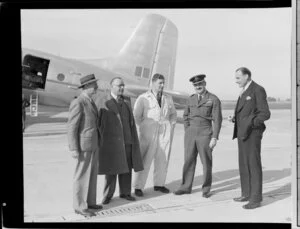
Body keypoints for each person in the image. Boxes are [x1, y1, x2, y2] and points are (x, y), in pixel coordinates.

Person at [94, 77, 144, 205]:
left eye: (123, 85)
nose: (121, 88)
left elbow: (130, 122)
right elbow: (98, 122)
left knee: (126, 169)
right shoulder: (104, 100)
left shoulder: (127, 101)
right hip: (112, 142)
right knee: (111, 170)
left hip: (127, 141)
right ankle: (107, 195)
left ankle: (125, 193)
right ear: (111, 87)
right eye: (118, 86)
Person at [174, 74, 222, 198]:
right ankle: (185, 187)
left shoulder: (213, 99)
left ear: (204, 84)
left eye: (200, 84)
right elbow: (185, 116)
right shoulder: (191, 99)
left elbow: (217, 120)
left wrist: (214, 137)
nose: (198, 87)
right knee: (188, 160)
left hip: (205, 133)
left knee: (206, 162)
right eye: (195, 85)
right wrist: (188, 130)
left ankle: (206, 189)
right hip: (191, 133)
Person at [229, 67, 270, 209]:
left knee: (253, 165)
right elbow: (245, 112)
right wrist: (236, 119)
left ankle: (255, 199)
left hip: (252, 133)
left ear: (247, 76)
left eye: (238, 78)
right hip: (242, 133)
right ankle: (246, 193)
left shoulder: (257, 89)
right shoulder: (244, 90)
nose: (236, 81)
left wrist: (250, 123)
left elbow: (265, 114)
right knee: (244, 165)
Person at [133, 73, 177, 197]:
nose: (162, 86)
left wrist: (172, 124)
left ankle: (159, 184)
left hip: (164, 133)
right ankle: (138, 187)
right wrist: (144, 127)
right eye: (160, 83)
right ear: (153, 83)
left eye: (163, 83)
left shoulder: (168, 98)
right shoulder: (144, 98)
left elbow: (173, 113)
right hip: (148, 133)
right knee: (144, 160)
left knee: (163, 159)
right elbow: (136, 116)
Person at [67, 74, 102, 217]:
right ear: (86, 87)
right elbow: (72, 127)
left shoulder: (91, 101)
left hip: (93, 144)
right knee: (81, 176)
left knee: (92, 175)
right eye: (94, 85)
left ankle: (90, 202)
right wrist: (74, 148)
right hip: (83, 145)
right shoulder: (79, 102)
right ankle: (80, 207)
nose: (96, 88)